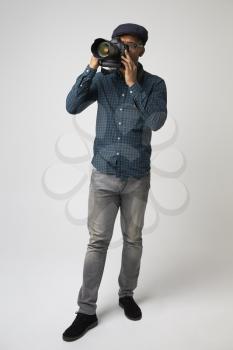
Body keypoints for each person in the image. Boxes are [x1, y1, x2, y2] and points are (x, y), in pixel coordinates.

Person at [63, 23, 167, 341]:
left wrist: (134, 84)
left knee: (133, 240)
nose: (124, 49)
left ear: (142, 49)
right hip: (104, 176)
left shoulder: (155, 84)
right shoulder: (102, 80)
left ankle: (126, 294)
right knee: (97, 243)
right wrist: (92, 63)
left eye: (131, 44)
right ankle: (86, 311)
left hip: (137, 178)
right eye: (118, 43)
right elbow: (71, 105)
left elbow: (157, 121)